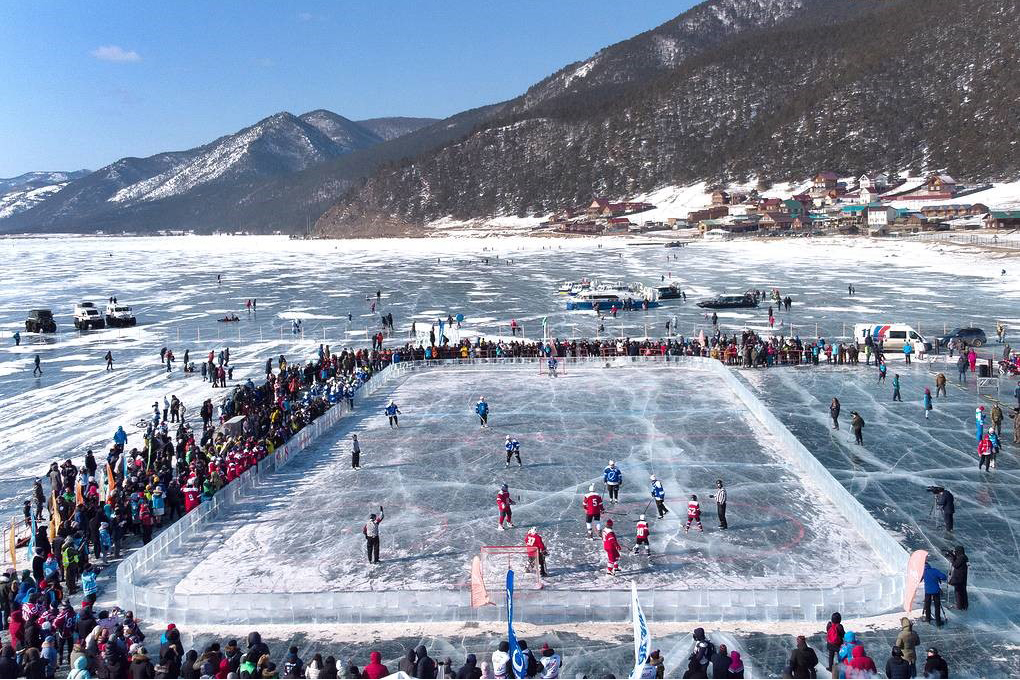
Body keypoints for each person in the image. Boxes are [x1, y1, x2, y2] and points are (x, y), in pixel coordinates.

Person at [921, 559, 947, 626]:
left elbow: (919, 580)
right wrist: (938, 578)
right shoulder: (934, 570)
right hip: (936, 591)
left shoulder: (923, 572)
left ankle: (928, 619)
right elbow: (944, 577)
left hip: (927, 591)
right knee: (937, 606)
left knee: (927, 605)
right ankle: (938, 621)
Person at [948, 545, 968, 610]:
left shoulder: (962, 557)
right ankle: (963, 606)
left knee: (958, 592)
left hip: (959, 578)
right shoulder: (963, 557)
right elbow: (956, 562)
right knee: (962, 591)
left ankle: (959, 606)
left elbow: (955, 565)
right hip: (961, 578)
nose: (955, 552)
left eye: (956, 551)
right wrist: (952, 556)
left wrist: (951, 557)